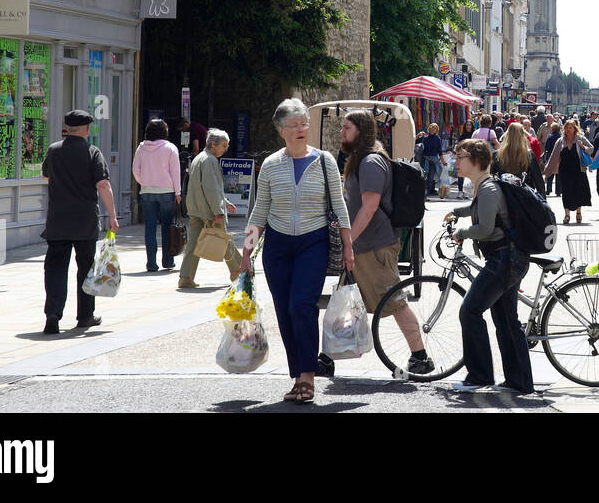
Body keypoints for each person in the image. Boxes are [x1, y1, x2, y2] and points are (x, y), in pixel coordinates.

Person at [243, 99, 353, 404]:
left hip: (312, 242)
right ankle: (297, 377)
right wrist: (247, 250)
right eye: (294, 125)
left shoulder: (325, 161)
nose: (301, 129)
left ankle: (308, 376)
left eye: (304, 123)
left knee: (301, 305)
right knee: (284, 310)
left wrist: (348, 245)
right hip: (277, 246)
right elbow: (260, 209)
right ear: (281, 131)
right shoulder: (270, 165)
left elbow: (339, 205)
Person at [340, 110, 432, 377]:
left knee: (394, 303)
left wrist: (349, 240)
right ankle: (326, 357)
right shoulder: (360, 160)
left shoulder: (370, 162)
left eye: (347, 128)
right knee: (345, 298)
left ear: (362, 130)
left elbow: (369, 208)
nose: (342, 132)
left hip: (375, 245)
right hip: (365, 245)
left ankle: (420, 357)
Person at [444, 139, 535, 395]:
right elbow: (480, 211)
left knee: (471, 311)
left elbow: (484, 228)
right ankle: (519, 381)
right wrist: (457, 212)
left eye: (460, 157)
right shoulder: (484, 186)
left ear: (475, 160)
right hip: (510, 258)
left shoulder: (487, 189)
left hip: (504, 259)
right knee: (506, 320)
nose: (456, 162)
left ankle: (480, 375)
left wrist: (462, 231)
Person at [39, 108, 119, 334]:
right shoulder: (92, 152)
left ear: (66, 128)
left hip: (58, 219)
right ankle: (85, 316)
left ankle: (53, 313)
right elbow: (103, 185)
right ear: (86, 129)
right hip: (85, 220)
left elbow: (46, 176)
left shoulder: (54, 150)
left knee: (55, 267)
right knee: (85, 267)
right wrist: (112, 215)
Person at [179, 128, 243, 289]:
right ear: (213, 144)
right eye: (223, 145)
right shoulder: (210, 161)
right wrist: (219, 212)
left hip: (195, 208)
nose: (225, 149)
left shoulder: (200, 158)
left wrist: (225, 202)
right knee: (223, 239)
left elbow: (206, 187)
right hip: (208, 210)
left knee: (194, 243)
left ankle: (186, 276)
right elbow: (211, 188)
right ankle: (239, 271)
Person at [131, 119, 182, 272]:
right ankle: (167, 261)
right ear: (164, 132)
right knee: (167, 226)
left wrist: (145, 182)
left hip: (147, 191)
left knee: (150, 227)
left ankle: (151, 263)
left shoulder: (141, 148)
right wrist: (178, 192)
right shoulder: (170, 148)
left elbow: (135, 171)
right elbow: (175, 172)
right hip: (167, 191)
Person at [544, 120, 592, 224]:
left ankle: (578, 213)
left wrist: (583, 146)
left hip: (579, 170)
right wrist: (547, 171)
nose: (568, 130)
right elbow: (553, 156)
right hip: (565, 171)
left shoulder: (581, 138)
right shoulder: (561, 141)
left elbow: (591, 149)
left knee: (578, 191)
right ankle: (567, 215)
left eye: (570, 127)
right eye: (566, 128)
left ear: (575, 128)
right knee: (566, 192)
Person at [496, 122, 544, 194]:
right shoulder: (528, 155)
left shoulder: (498, 155)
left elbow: (492, 177)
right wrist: (543, 199)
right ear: (522, 135)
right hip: (524, 195)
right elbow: (538, 179)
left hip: (503, 194)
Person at [420, 123, 444, 196]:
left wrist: (443, 161)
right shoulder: (425, 138)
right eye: (432, 127)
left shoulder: (437, 138)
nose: (433, 129)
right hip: (425, 159)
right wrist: (418, 136)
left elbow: (440, 151)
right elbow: (416, 143)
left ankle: (428, 193)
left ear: (436, 130)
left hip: (434, 160)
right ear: (429, 128)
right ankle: (424, 193)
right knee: (424, 177)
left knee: (431, 178)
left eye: (435, 128)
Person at [543, 121, 562, 196]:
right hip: (559, 157)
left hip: (551, 156)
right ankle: (558, 191)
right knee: (558, 174)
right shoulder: (561, 137)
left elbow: (547, 147)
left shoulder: (550, 136)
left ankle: (548, 189)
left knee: (550, 172)